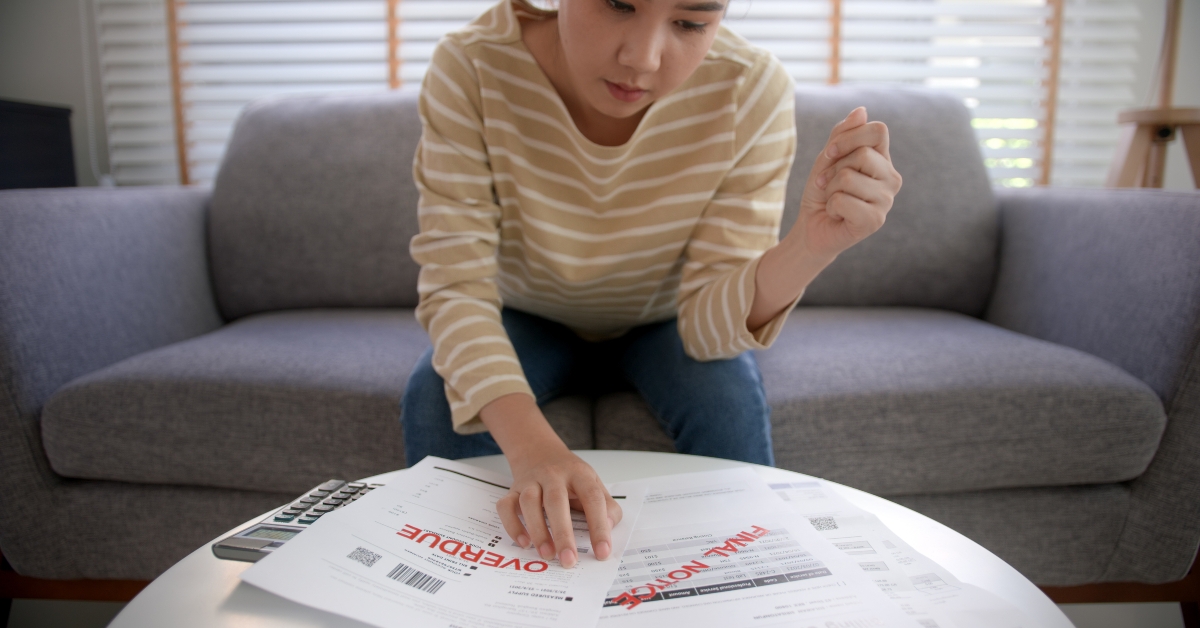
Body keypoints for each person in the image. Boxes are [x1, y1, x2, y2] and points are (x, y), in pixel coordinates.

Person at [401, 0, 901, 571]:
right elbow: (455, 287)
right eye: (618, 4)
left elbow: (709, 330)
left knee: (728, 405)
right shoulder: (471, 65)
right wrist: (535, 451)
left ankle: (740, 595)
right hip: (524, 312)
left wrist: (811, 246)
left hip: (667, 319)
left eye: (690, 23)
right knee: (436, 397)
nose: (642, 58)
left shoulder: (748, 87)